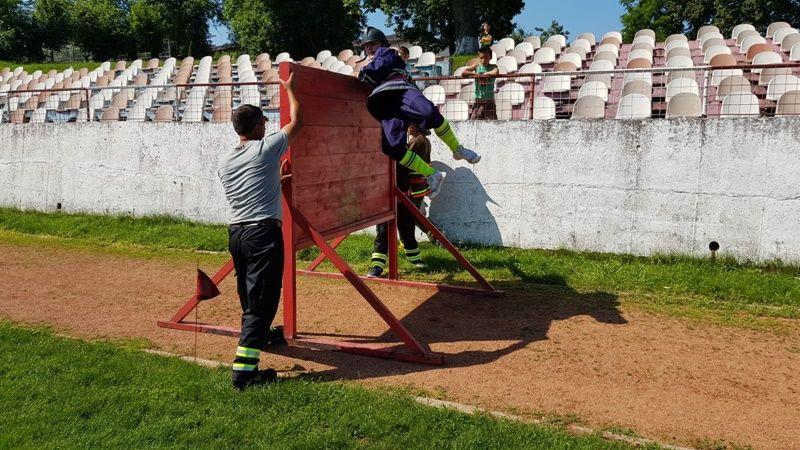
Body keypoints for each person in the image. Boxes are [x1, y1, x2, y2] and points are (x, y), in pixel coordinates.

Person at [217, 72, 302, 390]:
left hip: (237, 234)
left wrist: (276, 180)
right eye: (263, 123)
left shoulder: (226, 161)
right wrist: (290, 89)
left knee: (249, 295)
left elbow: (249, 187)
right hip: (262, 235)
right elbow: (298, 122)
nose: (266, 127)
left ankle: (260, 336)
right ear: (256, 127)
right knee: (262, 302)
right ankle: (244, 373)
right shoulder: (265, 148)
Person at [357, 27, 481, 199]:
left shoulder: (386, 53)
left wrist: (361, 73)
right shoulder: (373, 61)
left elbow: (375, 70)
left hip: (400, 91)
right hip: (387, 103)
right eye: (366, 46)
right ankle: (431, 174)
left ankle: (456, 148)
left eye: (373, 44)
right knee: (392, 147)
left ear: (383, 44)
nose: (369, 48)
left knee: (429, 112)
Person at [368, 123, 431, 278]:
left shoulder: (404, 150)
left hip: (403, 195)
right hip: (384, 197)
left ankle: (414, 258)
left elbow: (407, 171)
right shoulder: (378, 150)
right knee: (383, 232)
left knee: (407, 227)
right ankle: (377, 266)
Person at [462, 46, 499, 120]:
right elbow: (464, 72)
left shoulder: (492, 67)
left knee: (492, 122)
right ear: (478, 58)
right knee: (475, 120)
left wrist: (486, 74)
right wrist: (475, 74)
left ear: (490, 57)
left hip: (489, 101)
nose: (483, 60)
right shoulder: (477, 66)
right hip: (479, 101)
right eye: (481, 58)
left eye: (486, 57)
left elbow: (496, 71)